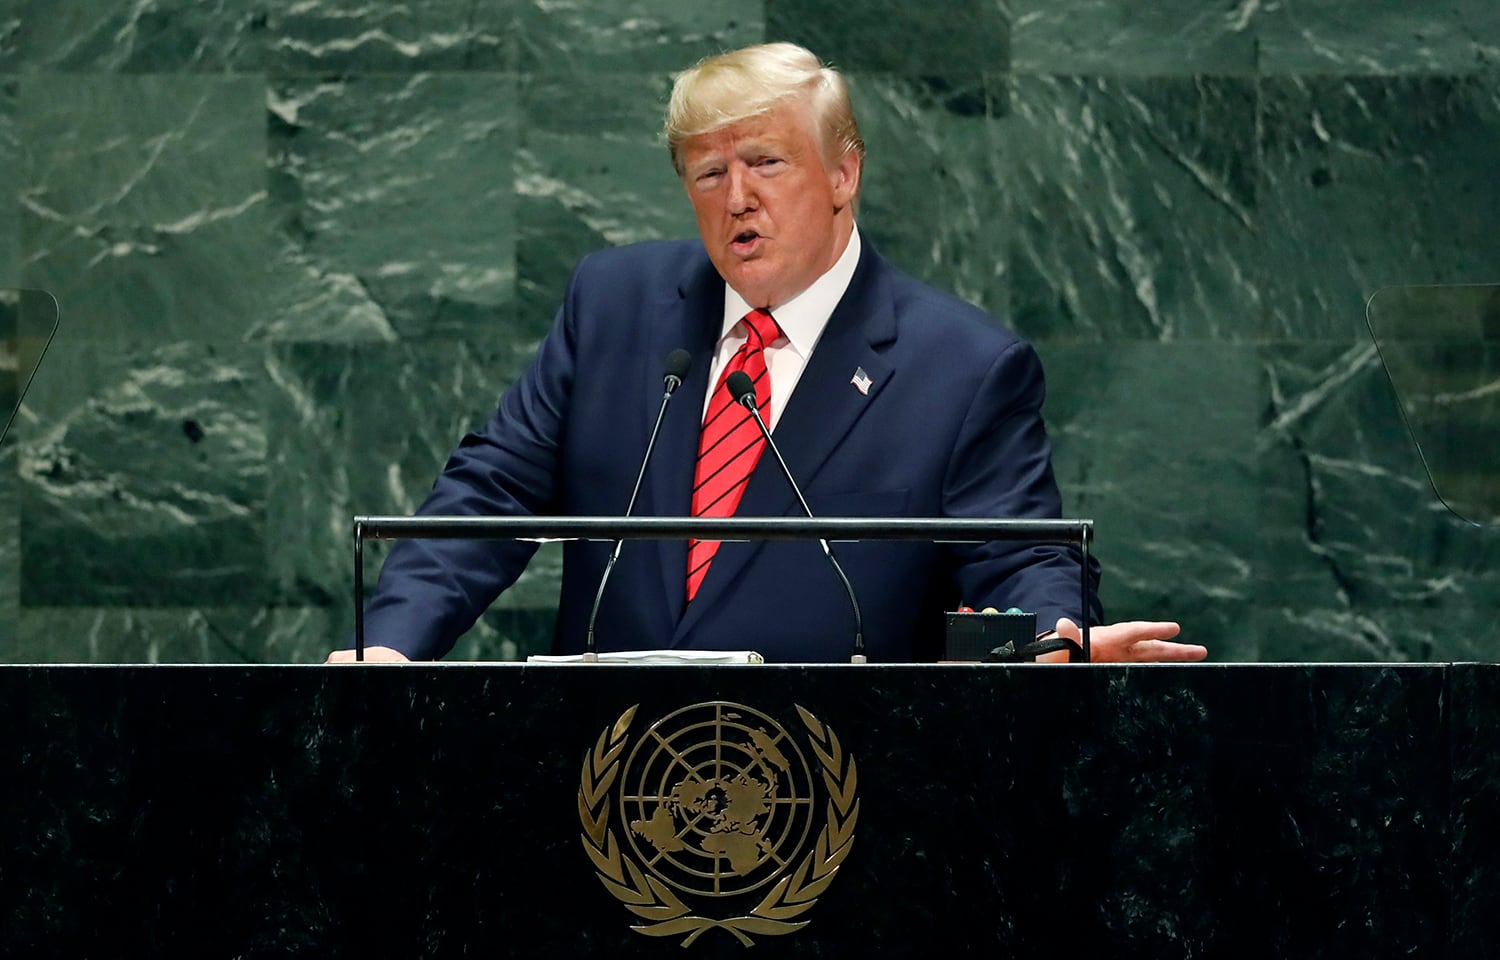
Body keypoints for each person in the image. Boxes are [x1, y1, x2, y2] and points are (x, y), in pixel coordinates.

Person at [329, 42, 1206, 665]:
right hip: (605, 791)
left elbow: (1024, 559)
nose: (737, 197)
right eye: (709, 174)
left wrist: (1051, 641)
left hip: (837, 803)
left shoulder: (964, 367)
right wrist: (391, 644)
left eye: (765, 162)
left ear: (843, 174)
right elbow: (490, 495)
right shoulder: (614, 306)